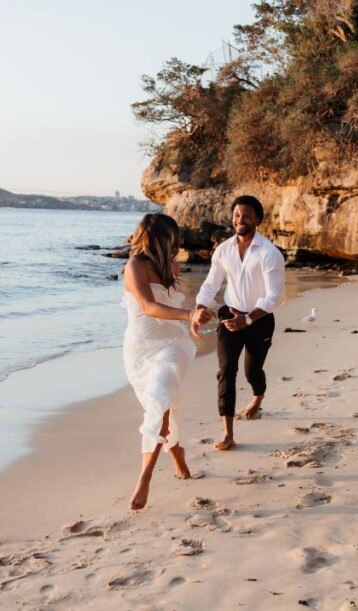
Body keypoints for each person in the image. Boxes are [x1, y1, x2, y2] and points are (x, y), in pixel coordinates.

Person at [122, 213, 214, 511]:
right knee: (159, 407)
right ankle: (177, 455)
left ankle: (144, 479)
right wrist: (188, 314)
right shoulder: (134, 267)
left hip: (174, 347)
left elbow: (172, 309)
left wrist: (194, 319)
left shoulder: (171, 267)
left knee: (160, 402)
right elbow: (149, 307)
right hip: (140, 351)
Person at [192, 195, 286, 451]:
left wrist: (248, 319)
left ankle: (258, 396)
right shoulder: (223, 250)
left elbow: (275, 296)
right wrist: (199, 309)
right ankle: (228, 433)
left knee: (252, 372)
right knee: (226, 370)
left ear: (257, 219)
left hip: (260, 319)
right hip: (230, 316)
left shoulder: (269, 253)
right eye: (236, 215)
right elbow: (212, 283)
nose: (240, 220)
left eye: (246, 216)